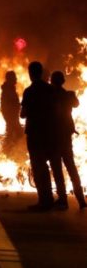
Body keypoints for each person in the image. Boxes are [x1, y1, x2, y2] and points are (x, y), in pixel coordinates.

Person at [20, 61, 56, 211]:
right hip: (48, 132)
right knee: (46, 165)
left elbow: (23, 114)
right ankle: (50, 199)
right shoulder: (50, 90)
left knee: (37, 165)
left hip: (34, 133)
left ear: (30, 74)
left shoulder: (29, 91)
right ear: (41, 73)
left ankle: (44, 200)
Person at [49, 71, 86, 210]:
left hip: (55, 136)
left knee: (57, 168)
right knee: (71, 167)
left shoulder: (51, 96)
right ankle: (80, 199)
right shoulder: (68, 95)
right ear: (63, 81)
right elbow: (76, 104)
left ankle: (63, 200)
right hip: (65, 136)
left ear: (52, 81)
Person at [0, 71, 22, 150]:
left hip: (13, 118)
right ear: (10, 79)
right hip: (11, 118)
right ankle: (7, 152)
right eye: (14, 77)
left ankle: (8, 152)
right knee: (15, 135)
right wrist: (9, 119)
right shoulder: (7, 90)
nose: (16, 79)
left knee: (13, 135)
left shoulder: (10, 89)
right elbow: (5, 106)